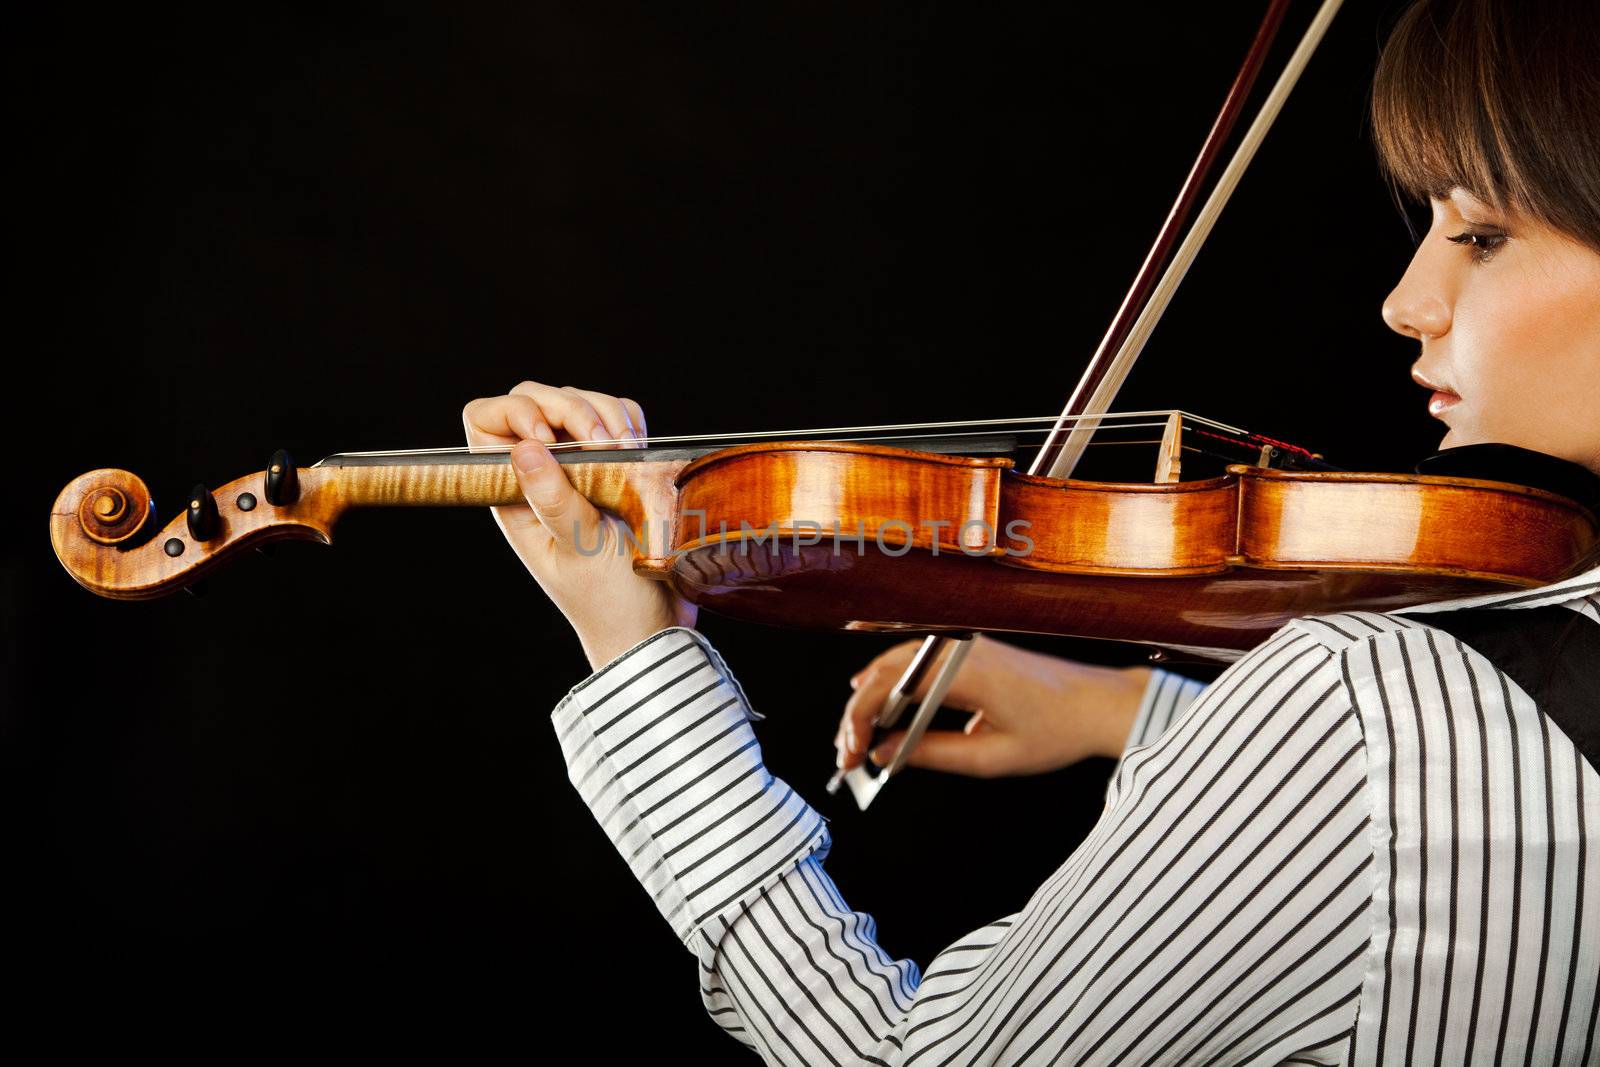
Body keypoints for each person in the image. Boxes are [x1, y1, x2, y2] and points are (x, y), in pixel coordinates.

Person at [462, 0, 1600, 1061]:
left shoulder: (1372, 705)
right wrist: (1125, 710)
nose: (1406, 298)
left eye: (1482, 233)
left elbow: (888, 1054)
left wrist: (637, 648)